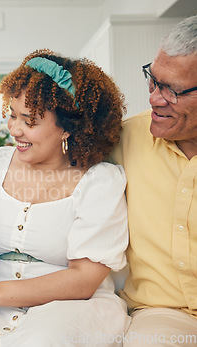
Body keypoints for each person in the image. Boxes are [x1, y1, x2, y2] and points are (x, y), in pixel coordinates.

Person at [0, 49, 131, 346]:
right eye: (12, 115)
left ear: (68, 127)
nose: (14, 129)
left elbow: (84, 279)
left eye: (30, 121)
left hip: (71, 309)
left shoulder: (99, 181)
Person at [110, 15, 197, 346]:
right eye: (153, 80)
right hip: (163, 314)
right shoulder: (123, 138)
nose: (155, 98)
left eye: (172, 90)